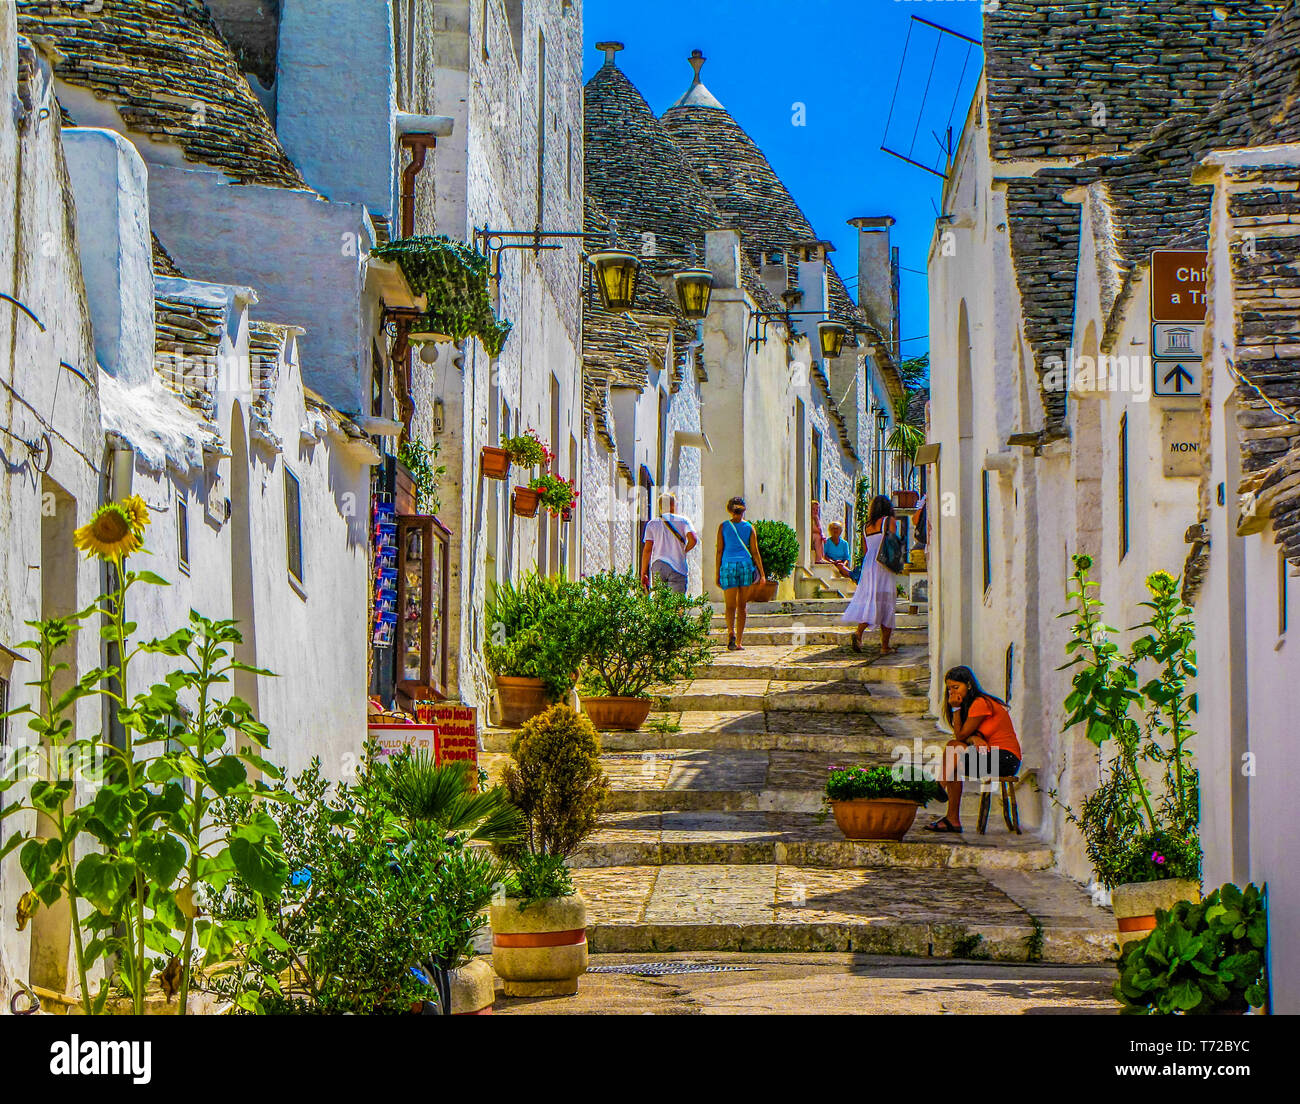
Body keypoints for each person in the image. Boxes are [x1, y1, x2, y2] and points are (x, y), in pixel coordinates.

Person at [925, 665, 1023, 833]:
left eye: (956, 687)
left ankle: (939, 786)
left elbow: (959, 737)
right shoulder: (972, 706)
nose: (953, 693)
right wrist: (973, 737)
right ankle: (952, 820)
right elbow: (966, 736)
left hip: (1005, 759)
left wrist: (955, 709)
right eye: (949, 689)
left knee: (953, 747)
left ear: (969, 685)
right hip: (992, 756)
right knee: (953, 764)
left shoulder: (980, 703)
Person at [840, 495, 898, 653]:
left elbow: (866, 550)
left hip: (869, 565)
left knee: (871, 601)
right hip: (884, 563)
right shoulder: (889, 521)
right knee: (887, 602)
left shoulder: (867, 527)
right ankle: (885, 647)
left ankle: (859, 633)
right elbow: (893, 543)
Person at [715, 495, 765, 651]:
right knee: (742, 606)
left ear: (729, 510)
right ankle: (739, 642)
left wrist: (717, 573)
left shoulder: (723, 526)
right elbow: (755, 552)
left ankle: (731, 632)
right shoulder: (749, 527)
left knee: (730, 606)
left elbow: (719, 551)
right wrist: (762, 574)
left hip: (728, 565)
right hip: (745, 566)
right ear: (744, 510)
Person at [640, 493, 698, 594]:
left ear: (660, 506)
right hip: (678, 566)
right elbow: (693, 539)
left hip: (658, 565)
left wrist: (644, 572)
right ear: (673, 505)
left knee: (661, 602)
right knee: (676, 603)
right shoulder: (683, 521)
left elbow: (647, 550)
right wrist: (684, 550)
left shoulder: (652, 523)